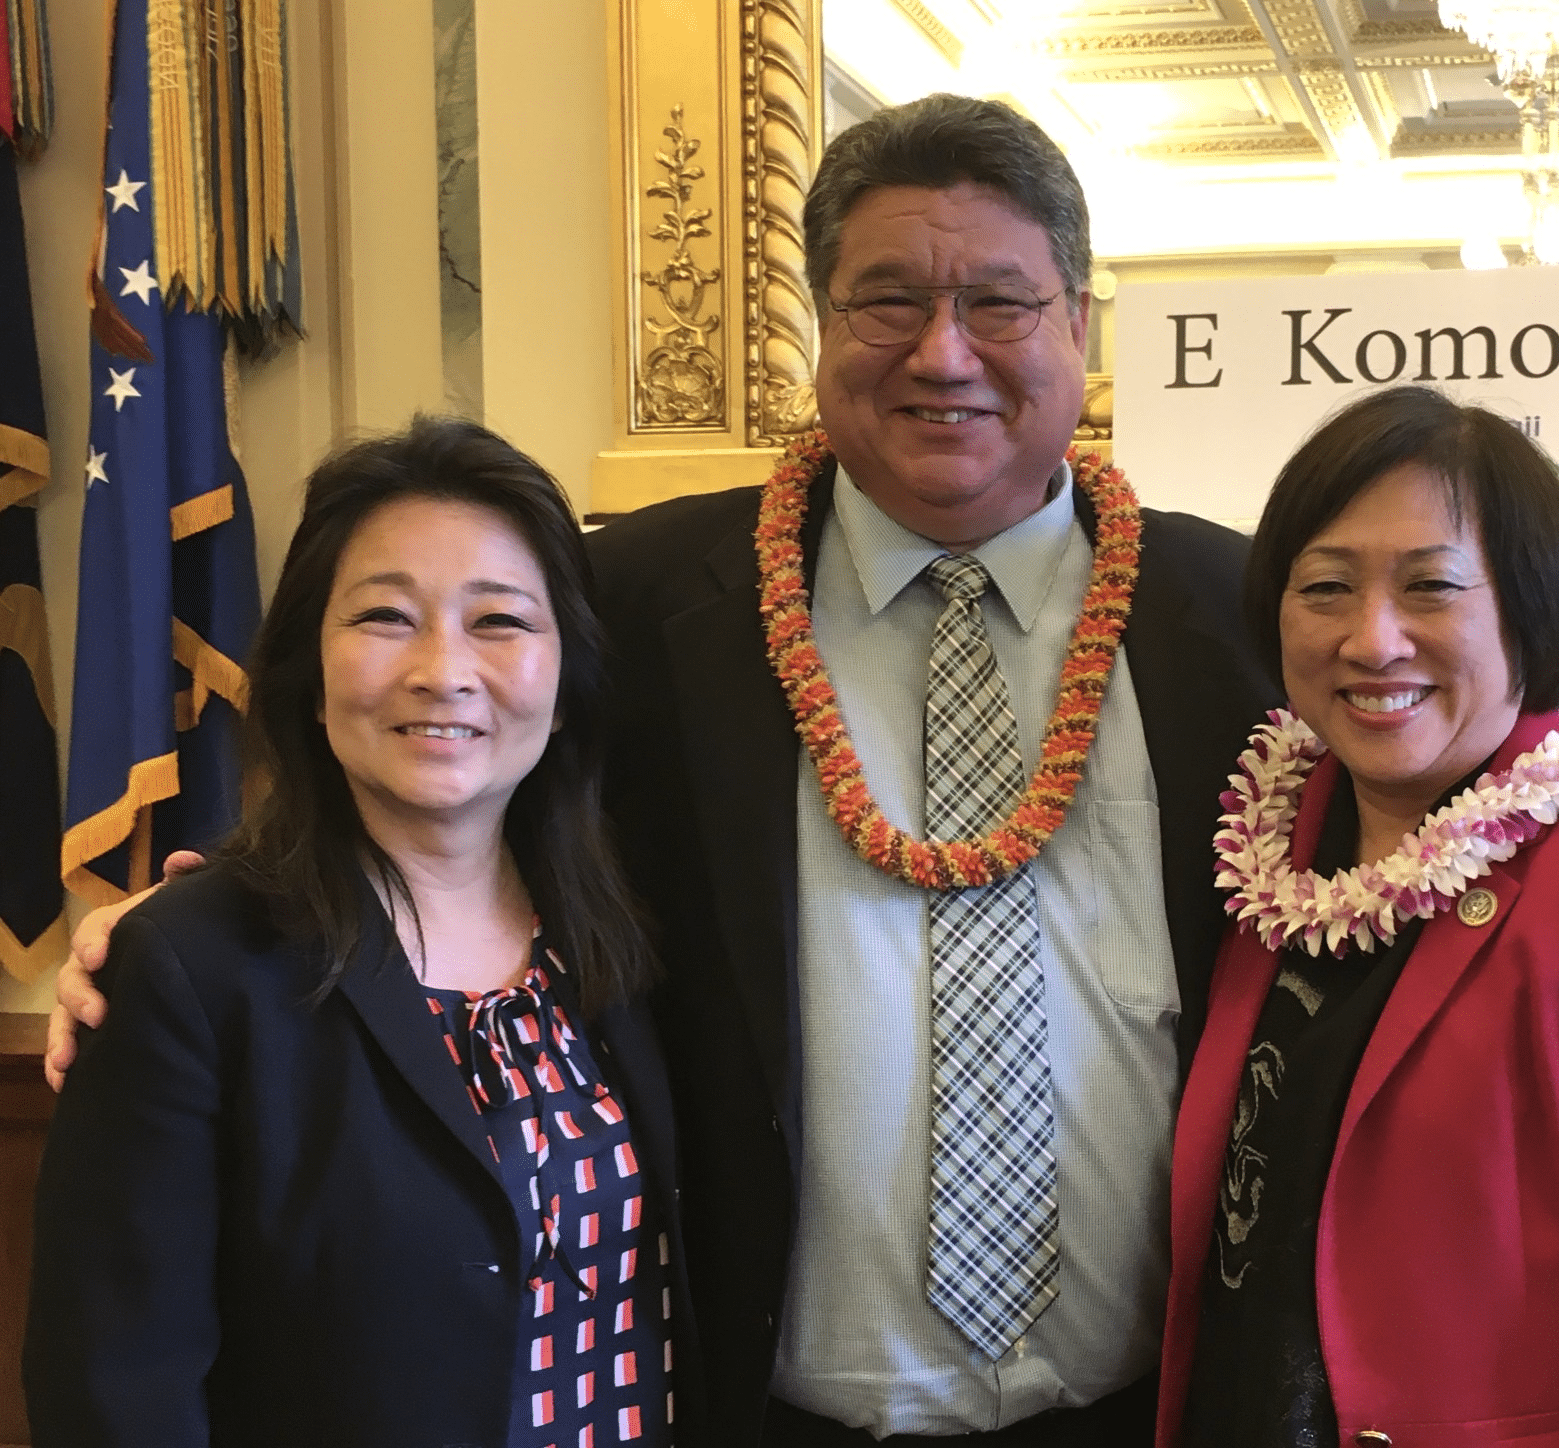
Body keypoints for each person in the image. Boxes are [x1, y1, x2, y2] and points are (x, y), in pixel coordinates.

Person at [46, 96, 1277, 1446]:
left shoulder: (1237, 619)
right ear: (817, 325)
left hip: (1145, 1413)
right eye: (885, 301)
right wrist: (186, 930)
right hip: (757, 1409)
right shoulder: (636, 602)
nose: (943, 352)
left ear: (1078, 325)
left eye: (999, 300)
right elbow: (444, 772)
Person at [1158, 385, 1559, 1447]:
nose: (1373, 639)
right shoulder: (1268, 848)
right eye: (1325, 584)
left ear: (1530, 608)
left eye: (1432, 587)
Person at [28, 418, 693, 1448]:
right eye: (387, 615)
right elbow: (118, 1391)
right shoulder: (188, 966)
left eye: (501, 621)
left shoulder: (628, 927)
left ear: (564, 686)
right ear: (309, 667)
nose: (443, 668)